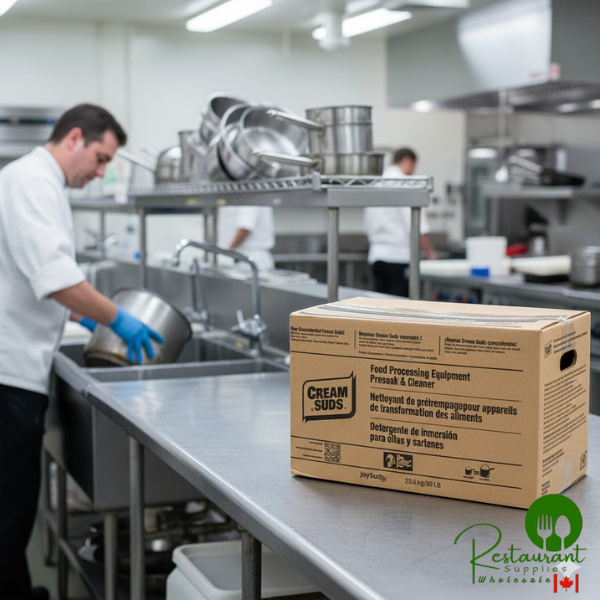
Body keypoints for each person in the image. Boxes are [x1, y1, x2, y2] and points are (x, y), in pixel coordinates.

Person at [0, 104, 164, 600]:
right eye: (100, 158)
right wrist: (116, 317)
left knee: (14, 504)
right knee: (9, 508)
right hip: (8, 373)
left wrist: (84, 315)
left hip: (17, 366)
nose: (100, 172)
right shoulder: (31, 181)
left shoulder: (41, 183)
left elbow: (35, 280)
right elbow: (56, 279)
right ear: (74, 138)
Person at [364, 147, 437, 297]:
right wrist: (430, 252)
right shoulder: (406, 184)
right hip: (399, 258)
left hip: (376, 256)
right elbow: (417, 227)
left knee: (380, 304)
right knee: (400, 305)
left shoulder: (375, 184)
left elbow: (367, 224)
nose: (413, 172)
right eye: (414, 166)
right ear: (408, 161)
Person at [217, 206, 275, 271]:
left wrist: (227, 252)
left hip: (249, 258)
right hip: (241, 256)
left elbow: (245, 228)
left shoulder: (249, 202)